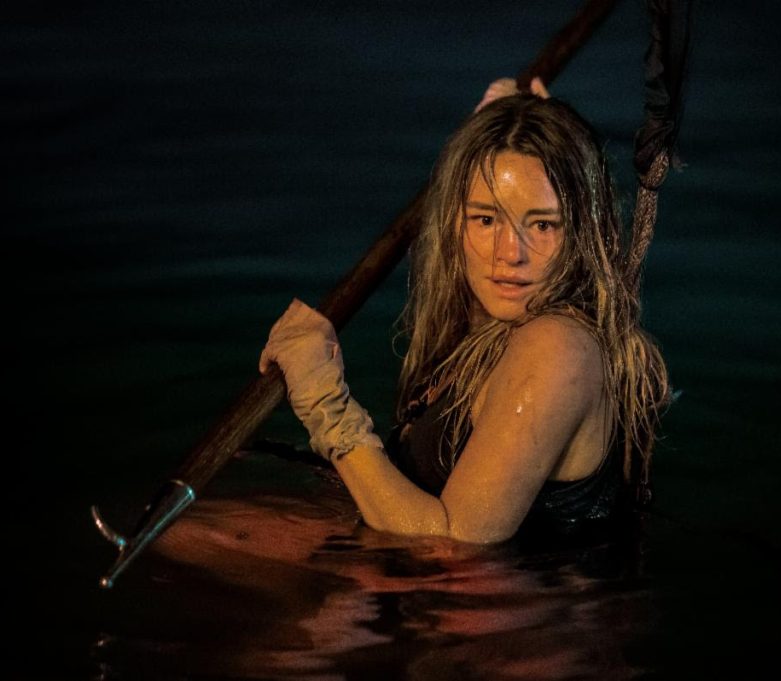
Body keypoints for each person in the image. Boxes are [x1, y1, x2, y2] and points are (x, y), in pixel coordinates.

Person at [258, 78, 670, 544]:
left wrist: (326, 406)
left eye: (542, 224)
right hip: (409, 566)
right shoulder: (502, 325)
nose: (509, 253)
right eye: (486, 218)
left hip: (493, 585)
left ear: (583, 233)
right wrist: (504, 139)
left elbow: (454, 547)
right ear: (454, 223)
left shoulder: (556, 347)